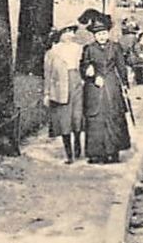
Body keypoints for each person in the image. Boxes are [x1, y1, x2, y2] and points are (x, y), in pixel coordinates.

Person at [79, 14, 131, 164]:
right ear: (94, 36)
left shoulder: (115, 47)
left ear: (108, 33)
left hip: (111, 85)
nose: (101, 37)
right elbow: (83, 66)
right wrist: (90, 74)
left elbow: (121, 67)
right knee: (95, 118)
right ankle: (96, 154)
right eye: (98, 34)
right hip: (94, 88)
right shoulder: (88, 49)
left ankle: (113, 152)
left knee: (113, 116)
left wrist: (125, 84)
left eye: (103, 33)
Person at [43, 25, 84, 163]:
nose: (70, 34)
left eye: (72, 32)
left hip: (76, 84)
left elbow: (85, 66)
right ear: (60, 34)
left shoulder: (79, 48)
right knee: (64, 120)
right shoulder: (53, 51)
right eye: (67, 32)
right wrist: (47, 93)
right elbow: (48, 74)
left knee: (77, 117)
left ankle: (77, 141)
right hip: (60, 89)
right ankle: (69, 154)